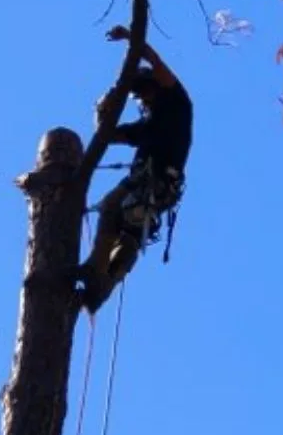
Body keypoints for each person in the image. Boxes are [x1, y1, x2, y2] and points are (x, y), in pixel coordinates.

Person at [74, 25, 193, 313]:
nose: (143, 100)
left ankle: (95, 272)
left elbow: (157, 64)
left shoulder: (176, 103)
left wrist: (131, 37)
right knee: (127, 231)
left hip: (158, 183)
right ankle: (99, 288)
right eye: (139, 97)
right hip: (149, 185)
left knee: (113, 207)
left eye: (144, 93)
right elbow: (106, 134)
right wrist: (104, 106)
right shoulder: (145, 126)